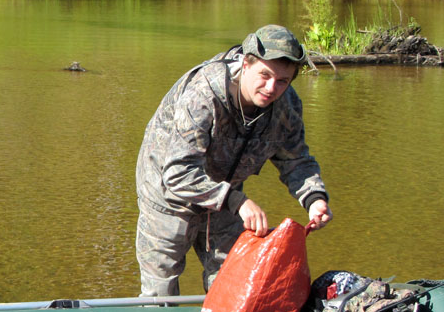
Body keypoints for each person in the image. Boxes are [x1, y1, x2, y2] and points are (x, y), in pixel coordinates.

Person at [135, 24, 332, 297]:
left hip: (226, 197)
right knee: (161, 287)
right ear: (245, 63)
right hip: (167, 194)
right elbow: (177, 173)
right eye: (264, 75)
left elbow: (296, 160)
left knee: (233, 281)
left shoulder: (286, 105)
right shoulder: (204, 95)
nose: (271, 87)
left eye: (283, 81)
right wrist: (236, 201)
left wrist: (314, 199)